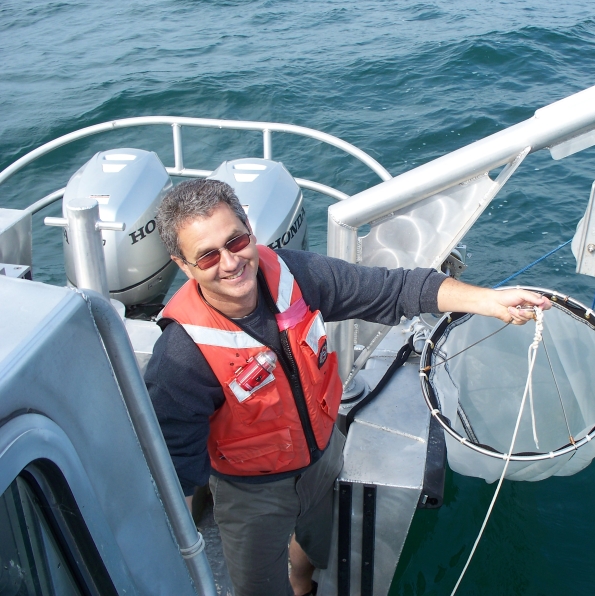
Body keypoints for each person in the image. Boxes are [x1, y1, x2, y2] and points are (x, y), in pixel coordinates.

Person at [145, 179, 550, 596]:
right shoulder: (180, 358)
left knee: (318, 547)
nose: (230, 262)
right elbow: (174, 469)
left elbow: (394, 288)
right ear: (183, 264)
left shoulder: (297, 276)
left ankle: (302, 584)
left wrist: (488, 301)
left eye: (236, 240)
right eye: (208, 255)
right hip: (253, 493)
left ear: (249, 226)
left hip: (324, 456)